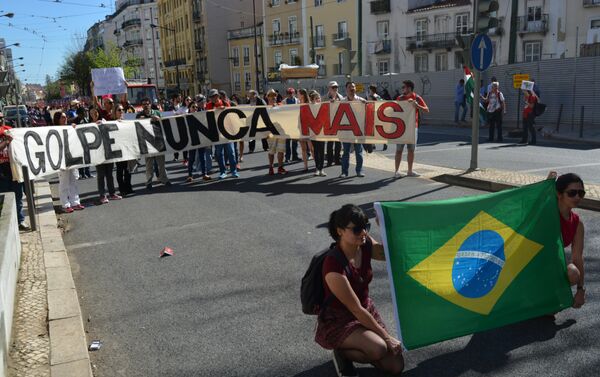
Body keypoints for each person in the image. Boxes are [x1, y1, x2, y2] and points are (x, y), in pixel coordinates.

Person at [316, 204, 404, 377]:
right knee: (379, 348)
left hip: (365, 310)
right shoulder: (333, 265)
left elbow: (388, 254)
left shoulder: (364, 244)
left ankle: (367, 348)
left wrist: (384, 227)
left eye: (366, 226)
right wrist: (386, 337)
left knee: (395, 366)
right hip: (340, 319)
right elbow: (355, 309)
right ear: (340, 231)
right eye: (356, 229)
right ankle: (341, 353)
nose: (363, 232)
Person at [547, 171, 586, 308]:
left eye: (581, 193)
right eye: (572, 193)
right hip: (531, 265)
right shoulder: (546, 213)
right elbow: (531, 208)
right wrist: (545, 187)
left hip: (552, 267)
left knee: (573, 273)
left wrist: (580, 290)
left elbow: (577, 258)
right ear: (559, 194)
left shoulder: (577, 223)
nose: (577, 197)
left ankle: (550, 295)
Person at [0, 115, 29, 230]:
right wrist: (6, 141)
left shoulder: (10, 130)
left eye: (1, 118)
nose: (1, 120)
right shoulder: (8, 136)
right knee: (5, 196)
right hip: (1, 169)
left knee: (18, 195)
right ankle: (6, 223)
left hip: (13, 167)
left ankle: (20, 220)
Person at [394, 80, 429, 177]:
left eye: (404, 87)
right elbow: (393, 110)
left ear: (409, 88)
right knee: (399, 150)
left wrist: (417, 106)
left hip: (413, 127)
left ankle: (410, 171)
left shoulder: (417, 98)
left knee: (411, 150)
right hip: (401, 128)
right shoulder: (399, 98)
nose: (402, 89)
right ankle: (396, 171)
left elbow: (426, 110)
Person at [137, 99, 172, 189]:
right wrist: (140, 120)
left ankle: (164, 179)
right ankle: (149, 181)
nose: (146, 105)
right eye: (144, 104)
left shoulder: (156, 112)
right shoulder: (139, 115)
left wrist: (159, 119)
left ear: (150, 104)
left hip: (158, 140)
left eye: (147, 104)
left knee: (161, 163)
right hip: (147, 142)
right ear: (142, 105)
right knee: (149, 163)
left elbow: (164, 123)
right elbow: (136, 127)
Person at [53, 111, 84, 213]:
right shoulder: (54, 130)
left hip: (72, 158)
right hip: (62, 160)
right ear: (57, 119)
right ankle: (65, 204)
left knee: (73, 180)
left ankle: (75, 202)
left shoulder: (70, 128)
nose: (65, 119)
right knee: (64, 182)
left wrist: (74, 128)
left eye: (65, 117)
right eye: (62, 117)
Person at [206, 89, 239, 179]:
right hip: (216, 133)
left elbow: (230, 116)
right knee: (219, 153)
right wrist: (216, 109)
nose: (213, 98)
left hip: (227, 132)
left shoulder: (225, 103)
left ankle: (233, 171)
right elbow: (207, 117)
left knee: (231, 152)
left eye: (214, 96)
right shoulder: (208, 105)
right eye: (211, 96)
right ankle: (223, 172)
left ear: (218, 96)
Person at [341, 82, 366, 178]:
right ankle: (344, 172)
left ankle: (359, 171)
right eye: (350, 87)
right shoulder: (342, 101)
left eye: (353, 87)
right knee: (345, 153)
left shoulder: (361, 100)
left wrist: (366, 104)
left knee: (358, 152)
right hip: (346, 131)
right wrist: (332, 104)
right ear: (346, 89)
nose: (352, 88)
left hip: (357, 131)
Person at [186, 101, 212, 182]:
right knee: (191, 158)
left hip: (201, 139)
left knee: (202, 157)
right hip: (192, 140)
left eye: (196, 107)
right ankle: (190, 175)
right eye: (193, 107)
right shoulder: (185, 117)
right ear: (189, 108)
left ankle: (204, 174)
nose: (195, 109)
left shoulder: (201, 115)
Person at [112, 105, 133, 197]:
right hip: (118, 150)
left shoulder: (127, 122)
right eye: (119, 110)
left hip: (127, 149)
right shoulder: (111, 123)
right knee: (120, 170)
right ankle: (122, 188)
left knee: (128, 170)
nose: (121, 111)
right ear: (115, 112)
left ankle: (128, 187)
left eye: (122, 110)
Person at [265, 89, 287, 175]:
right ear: (267, 97)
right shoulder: (264, 108)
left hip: (281, 131)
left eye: (274, 95)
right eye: (270, 95)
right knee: (271, 151)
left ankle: (280, 167)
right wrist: (265, 133)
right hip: (270, 132)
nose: (273, 97)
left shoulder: (280, 106)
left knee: (281, 150)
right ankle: (271, 167)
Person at [308, 91, 327, 177]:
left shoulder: (323, 106)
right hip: (313, 131)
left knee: (322, 150)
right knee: (316, 150)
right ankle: (317, 168)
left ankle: (321, 169)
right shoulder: (309, 107)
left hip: (322, 132)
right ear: (312, 100)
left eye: (319, 98)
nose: (318, 100)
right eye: (316, 98)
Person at [326, 81, 343, 167]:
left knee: (338, 142)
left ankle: (337, 159)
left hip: (338, 122)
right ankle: (329, 160)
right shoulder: (325, 97)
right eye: (333, 87)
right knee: (330, 142)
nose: (335, 89)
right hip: (329, 123)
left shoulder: (341, 97)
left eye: (336, 87)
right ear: (329, 88)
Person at [297, 89, 315, 172]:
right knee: (303, 149)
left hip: (309, 129)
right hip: (300, 129)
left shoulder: (309, 104)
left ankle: (316, 165)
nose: (297, 95)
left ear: (302, 95)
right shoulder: (297, 104)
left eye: (298, 94)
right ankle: (305, 167)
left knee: (312, 148)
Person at [284, 88, 300, 163]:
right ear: (287, 94)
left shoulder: (297, 101)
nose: (290, 94)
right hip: (287, 124)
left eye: (291, 93)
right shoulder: (284, 102)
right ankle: (287, 157)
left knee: (295, 142)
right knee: (287, 142)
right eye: (289, 93)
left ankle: (295, 156)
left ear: (294, 93)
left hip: (295, 123)